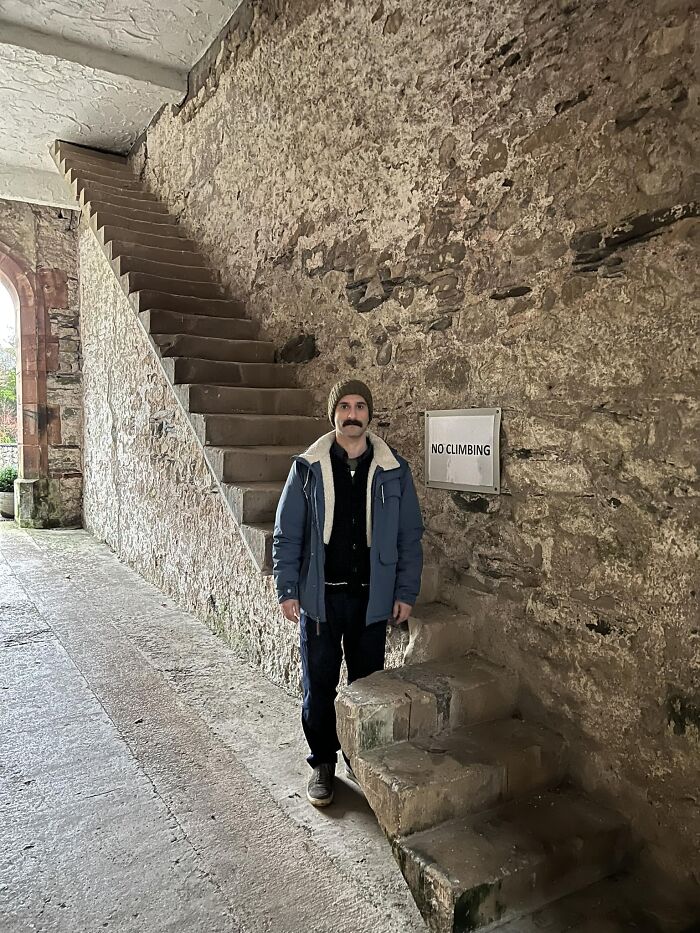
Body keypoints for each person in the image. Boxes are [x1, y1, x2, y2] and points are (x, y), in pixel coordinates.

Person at [273, 378, 424, 807]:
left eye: (359, 406)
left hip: (370, 600)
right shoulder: (308, 468)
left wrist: (405, 590)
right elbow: (287, 533)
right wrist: (287, 588)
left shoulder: (394, 470)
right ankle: (323, 762)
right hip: (321, 600)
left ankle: (361, 759)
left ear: (369, 414)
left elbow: (410, 536)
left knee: (367, 686)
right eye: (344, 406)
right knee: (318, 687)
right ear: (333, 414)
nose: (352, 414)